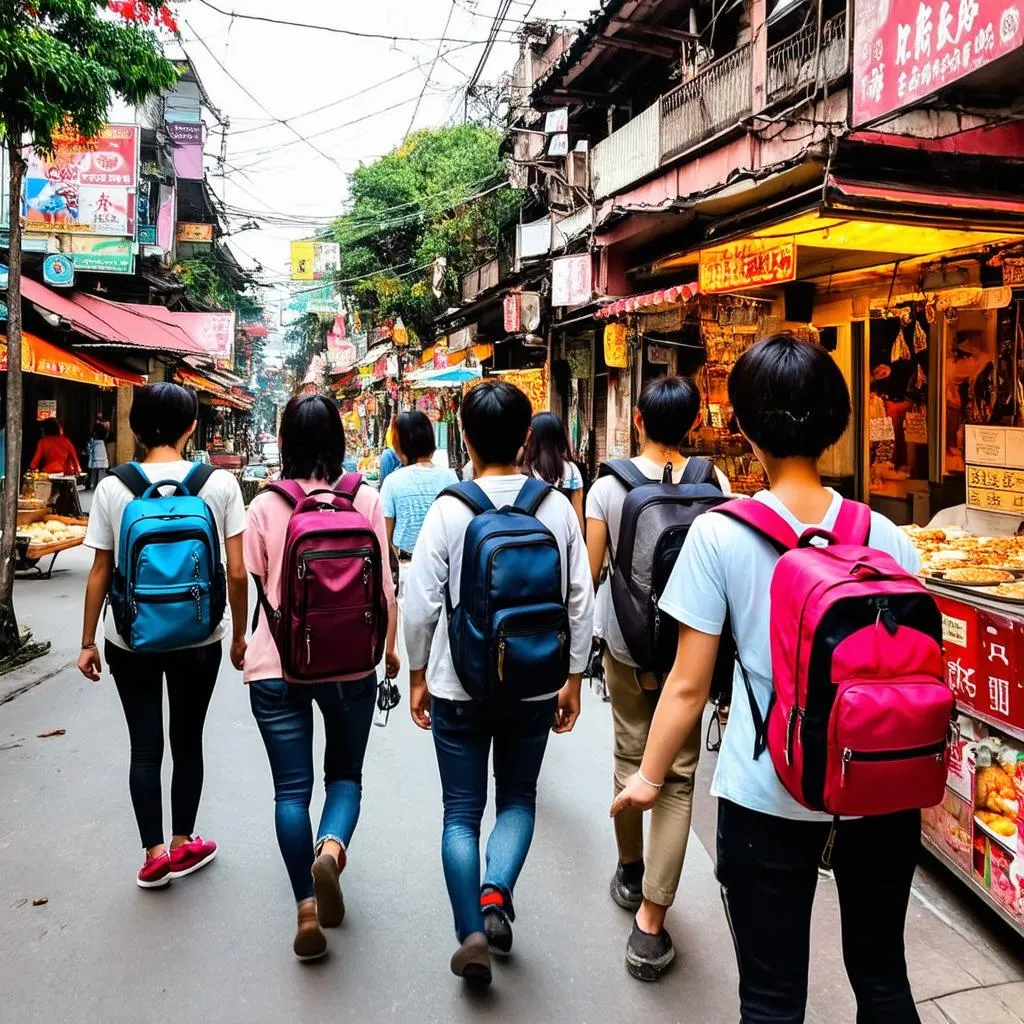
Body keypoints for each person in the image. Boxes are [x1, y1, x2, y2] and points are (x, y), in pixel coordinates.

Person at [611, 336, 923, 1021]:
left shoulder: (722, 536)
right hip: (878, 790)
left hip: (767, 795)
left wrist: (648, 777)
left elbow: (688, 686)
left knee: (773, 999)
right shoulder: (888, 535)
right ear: (837, 419)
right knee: (883, 982)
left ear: (745, 426)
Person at [403, 381, 594, 987]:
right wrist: (573, 679)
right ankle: (495, 893)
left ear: (462, 437)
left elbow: (420, 605)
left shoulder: (449, 508)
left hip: (458, 684)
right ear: (526, 440)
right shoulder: (556, 507)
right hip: (534, 685)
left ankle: (471, 934)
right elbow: (579, 601)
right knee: (516, 799)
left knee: (460, 814)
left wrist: (416, 675)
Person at [243, 395, 399, 961]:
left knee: (291, 790)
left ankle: (306, 907)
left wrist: (242, 639)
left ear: (283, 443)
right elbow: (383, 588)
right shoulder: (368, 499)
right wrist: (392, 651)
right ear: (337, 441)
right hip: (352, 661)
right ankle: (331, 851)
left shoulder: (264, 506)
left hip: (278, 663)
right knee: (345, 777)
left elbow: (258, 582)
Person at [585, 374, 730, 981]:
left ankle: (628, 868)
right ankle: (651, 924)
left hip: (626, 645)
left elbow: (589, 574)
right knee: (677, 776)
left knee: (628, 751)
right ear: (693, 424)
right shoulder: (715, 483)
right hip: (692, 651)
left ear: (637, 420)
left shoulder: (608, 487)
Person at [77, 383, 248, 889]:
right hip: (200, 636)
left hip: (130, 638)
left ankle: (152, 855)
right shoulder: (217, 485)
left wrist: (88, 640)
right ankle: (182, 842)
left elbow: (100, 571)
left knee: (144, 746)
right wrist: (238, 634)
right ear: (192, 426)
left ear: (134, 427)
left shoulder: (114, 486)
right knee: (188, 740)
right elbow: (236, 572)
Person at [380, 411, 458, 561]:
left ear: (400, 445)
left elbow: (385, 536)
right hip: (444, 564)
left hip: (406, 565)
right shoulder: (450, 476)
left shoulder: (392, 482)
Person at [521, 411, 585, 532]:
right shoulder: (571, 470)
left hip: (532, 537)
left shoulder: (524, 470)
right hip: (563, 536)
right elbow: (578, 522)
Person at [87, 419, 110, 490]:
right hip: (103, 460)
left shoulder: (93, 442)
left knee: (93, 473)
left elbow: (89, 450)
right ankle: (100, 487)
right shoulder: (103, 442)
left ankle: (92, 485)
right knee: (101, 474)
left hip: (94, 460)